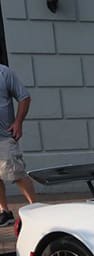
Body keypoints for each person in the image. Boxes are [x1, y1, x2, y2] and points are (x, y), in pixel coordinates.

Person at [0, 63, 33, 227]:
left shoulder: (4, 73)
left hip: (4, 137)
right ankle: (5, 212)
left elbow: (24, 97)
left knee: (17, 174)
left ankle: (35, 208)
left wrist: (18, 122)